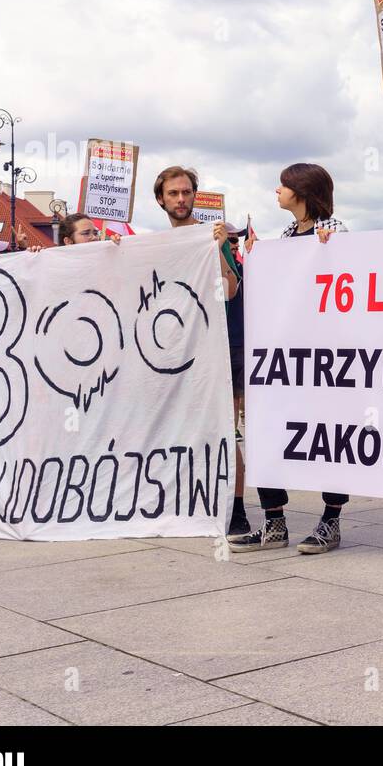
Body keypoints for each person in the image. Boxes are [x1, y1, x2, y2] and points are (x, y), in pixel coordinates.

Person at [231, 163, 353, 554]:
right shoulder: (284, 236)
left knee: (330, 435)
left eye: (283, 185)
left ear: (301, 191)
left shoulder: (336, 231)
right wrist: (256, 257)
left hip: (325, 354)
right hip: (285, 355)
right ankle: (274, 521)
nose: (277, 191)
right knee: (267, 431)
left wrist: (328, 253)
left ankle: (331, 521)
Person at [153, 166, 245, 530]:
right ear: (161, 199)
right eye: (173, 194)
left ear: (194, 195)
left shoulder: (212, 235)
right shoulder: (157, 244)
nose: (180, 199)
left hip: (212, 347)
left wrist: (217, 249)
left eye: (186, 192)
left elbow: (231, 289)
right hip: (172, 351)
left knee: (223, 426)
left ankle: (236, 509)